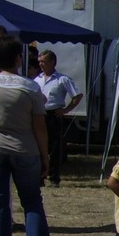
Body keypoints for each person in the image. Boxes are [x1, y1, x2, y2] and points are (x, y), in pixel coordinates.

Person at [0, 35, 60, 236]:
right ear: (18, 58)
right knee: (32, 199)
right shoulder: (30, 86)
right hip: (24, 149)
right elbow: (40, 127)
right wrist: (45, 155)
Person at [34, 49, 82, 187]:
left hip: (54, 114)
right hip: (39, 114)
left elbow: (77, 95)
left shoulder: (62, 79)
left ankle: (54, 177)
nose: (41, 64)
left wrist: (65, 110)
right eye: (39, 62)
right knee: (38, 146)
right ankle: (40, 176)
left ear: (52, 62)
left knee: (55, 148)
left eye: (43, 61)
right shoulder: (37, 79)